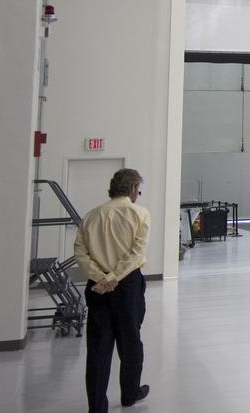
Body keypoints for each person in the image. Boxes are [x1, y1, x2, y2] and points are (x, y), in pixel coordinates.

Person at [74, 168, 151, 412]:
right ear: (132, 189)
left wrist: (102, 278)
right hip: (127, 286)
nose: (138, 193)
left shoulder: (91, 216)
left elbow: (81, 254)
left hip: (97, 288)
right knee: (131, 342)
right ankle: (130, 393)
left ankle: (96, 406)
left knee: (98, 347)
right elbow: (136, 253)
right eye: (138, 189)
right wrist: (115, 277)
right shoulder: (140, 214)